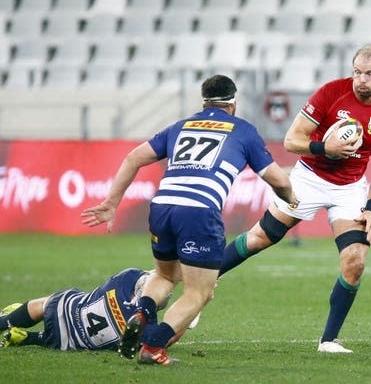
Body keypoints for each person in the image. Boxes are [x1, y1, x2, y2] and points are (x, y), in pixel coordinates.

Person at [81, 75, 298, 365]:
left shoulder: (181, 125)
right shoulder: (242, 130)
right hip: (199, 210)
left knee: (165, 275)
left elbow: (133, 157)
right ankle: (153, 346)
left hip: (161, 206)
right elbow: (276, 178)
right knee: (200, 291)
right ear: (233, 103)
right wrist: (289, 196)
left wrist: (111, 203)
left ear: (204, 101)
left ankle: (142, 311)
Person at [218, 44, 371, 353]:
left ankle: (328, 341)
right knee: (260, 238)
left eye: (369, 74)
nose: (361, 80)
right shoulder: (331, 93)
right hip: (308, 179)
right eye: (357, 72)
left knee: (355, 261)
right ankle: (208, 278)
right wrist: (324, 149)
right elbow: (292, 140)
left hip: (350, 188)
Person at [0, 268, 173, 350]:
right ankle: (27, 338)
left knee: (50, 302)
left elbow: (153, 274)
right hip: (68, 343)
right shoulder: (145, 330)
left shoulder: (126, 278)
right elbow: (163, 340)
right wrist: (187, 322)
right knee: (77, 341)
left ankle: (5, 321)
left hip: (64, 310)